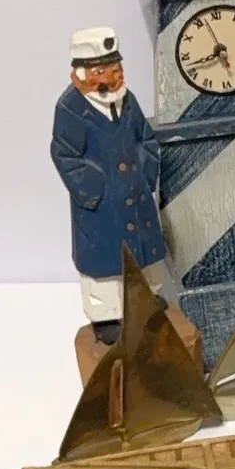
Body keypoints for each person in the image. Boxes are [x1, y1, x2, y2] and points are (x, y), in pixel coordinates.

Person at [51, 27, 169, 344]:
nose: (111, 77)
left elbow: (145, 137)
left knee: (143, 254)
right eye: (101, 71)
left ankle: (145, 300)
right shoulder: (71, 108)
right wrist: (95, 191)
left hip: (135, 195)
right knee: (105, 263)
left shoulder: (127, 100)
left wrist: (146, 173)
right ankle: (107, 317)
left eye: (115, 68)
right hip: (102, 207)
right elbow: (64, 154)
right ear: (81, 74)